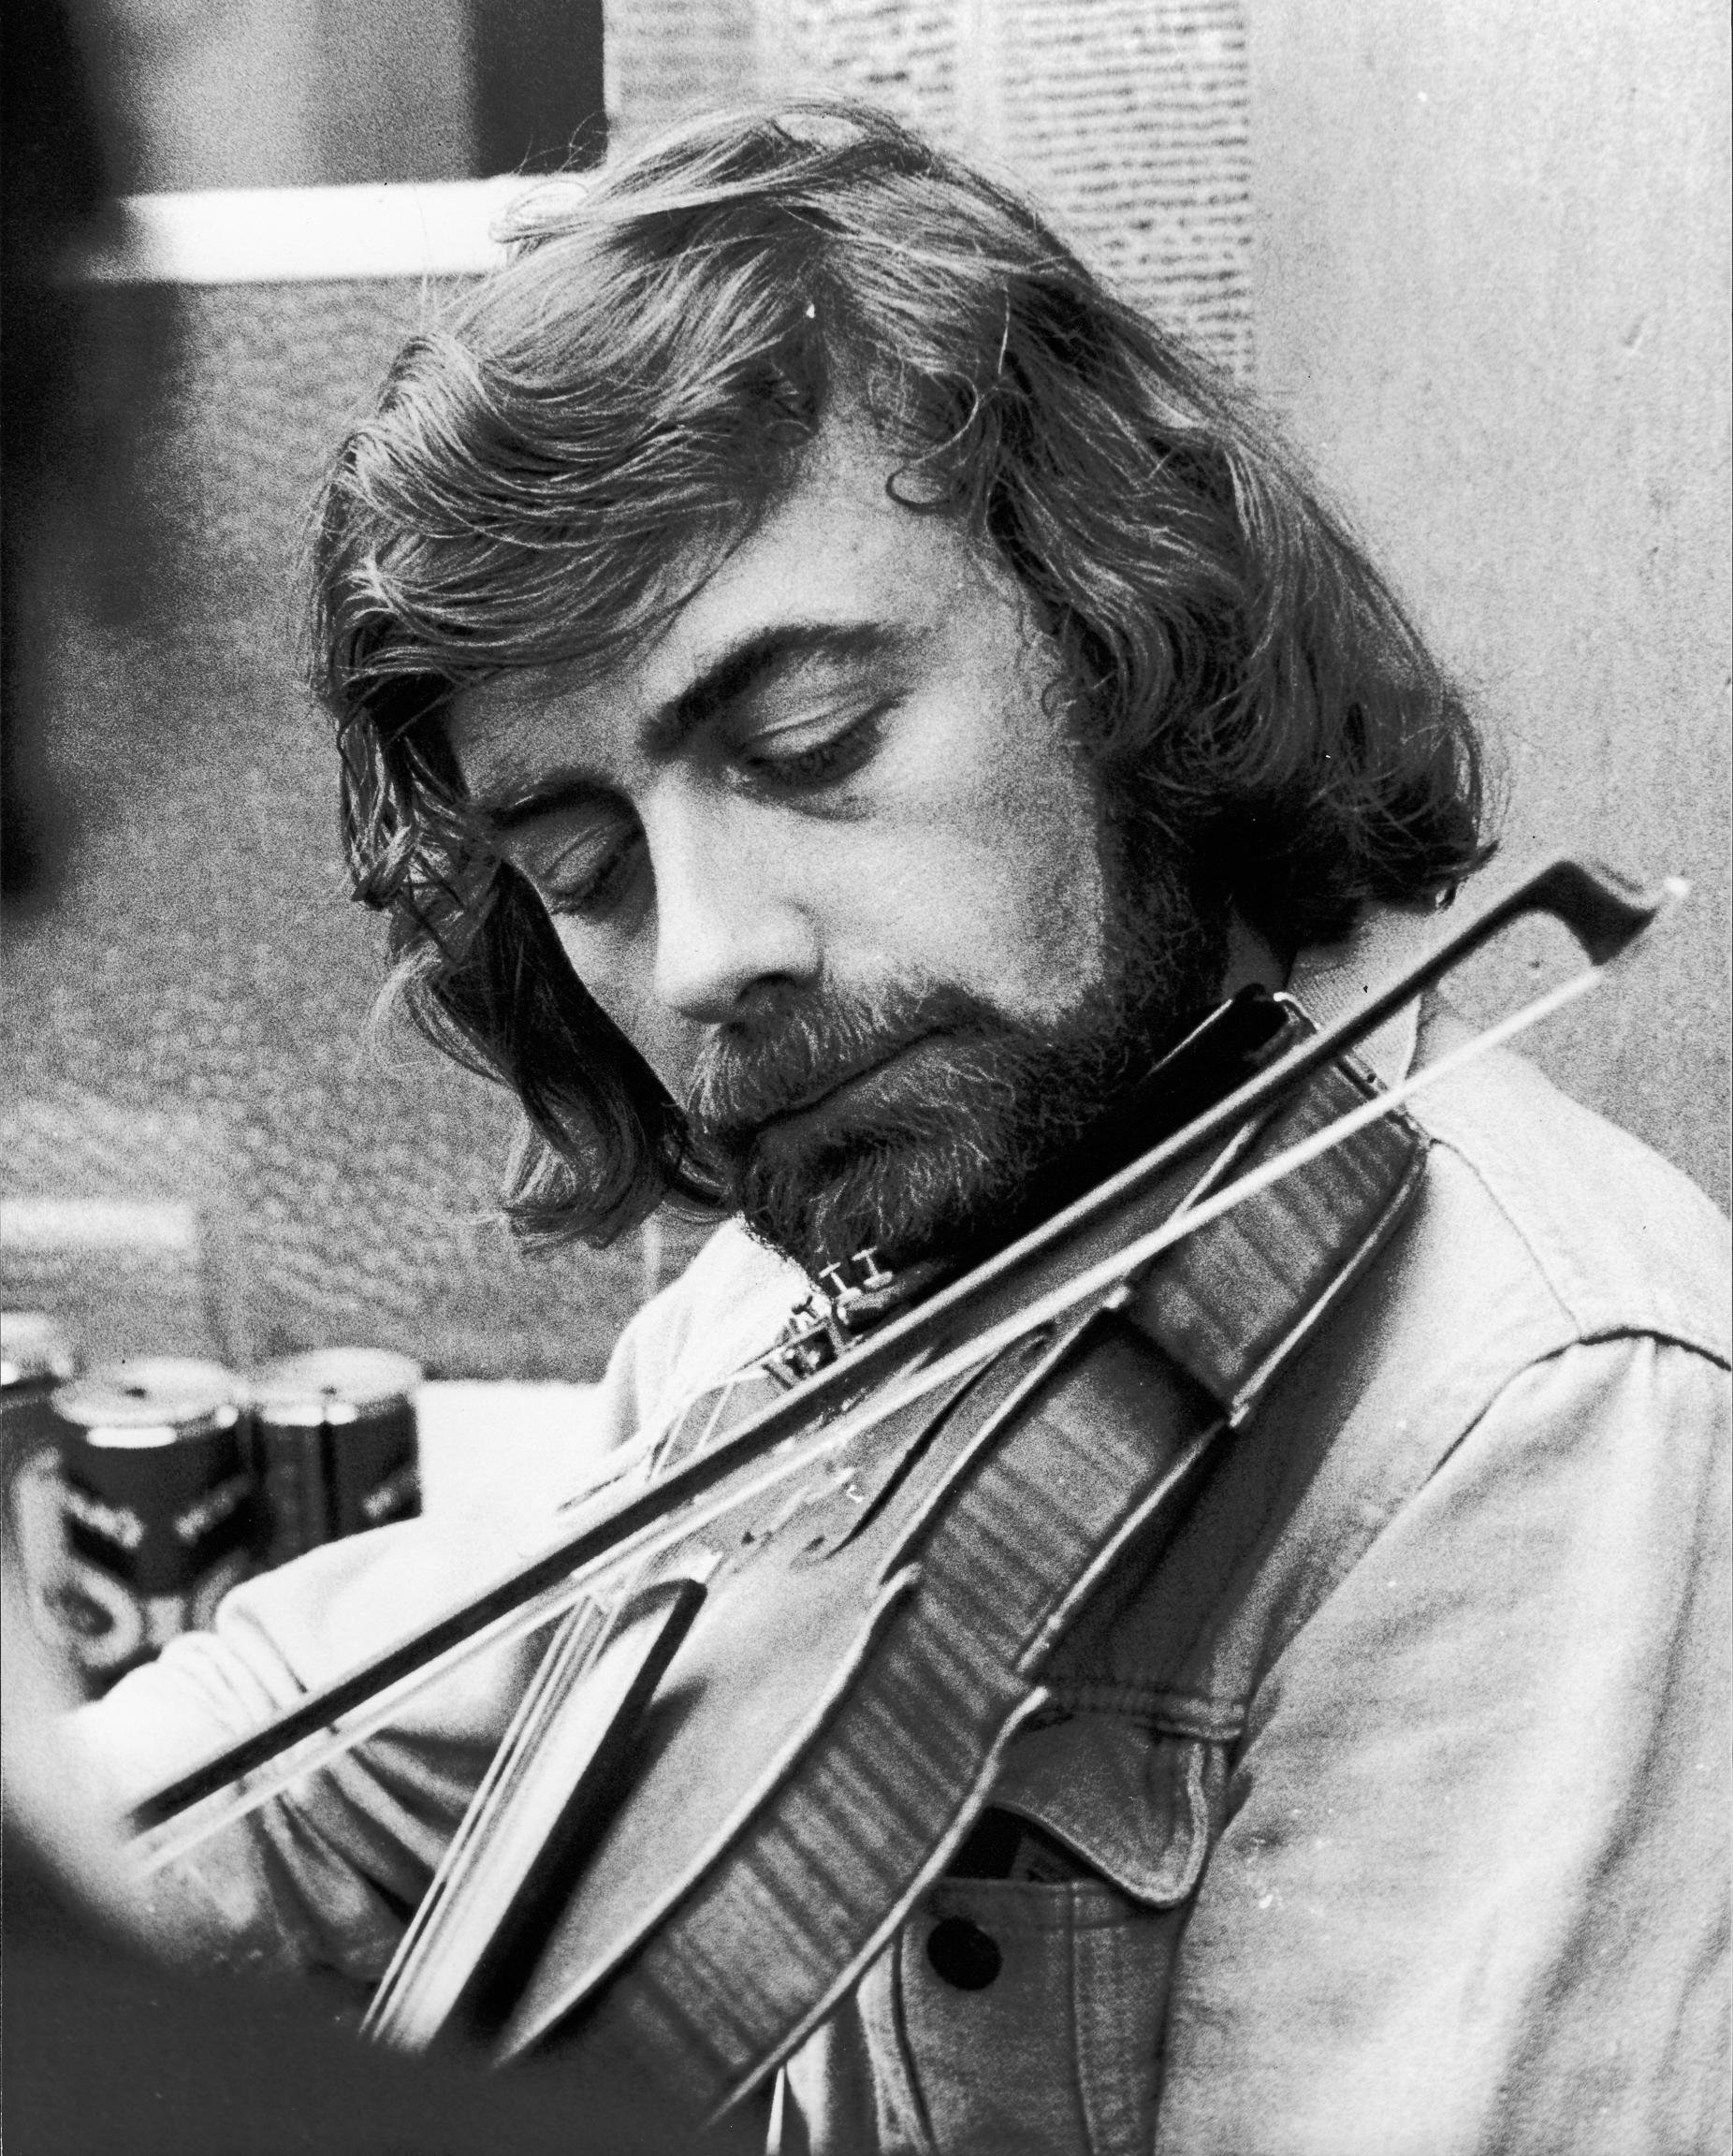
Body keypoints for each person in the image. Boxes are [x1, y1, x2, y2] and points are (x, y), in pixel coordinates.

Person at [64, 105, 1727, 2154]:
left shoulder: (1539, 1417)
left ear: (1123, 632)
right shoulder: (826, 1274)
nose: (704, 956)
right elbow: (349, 1743)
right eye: (582, 865)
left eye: (807, 744)